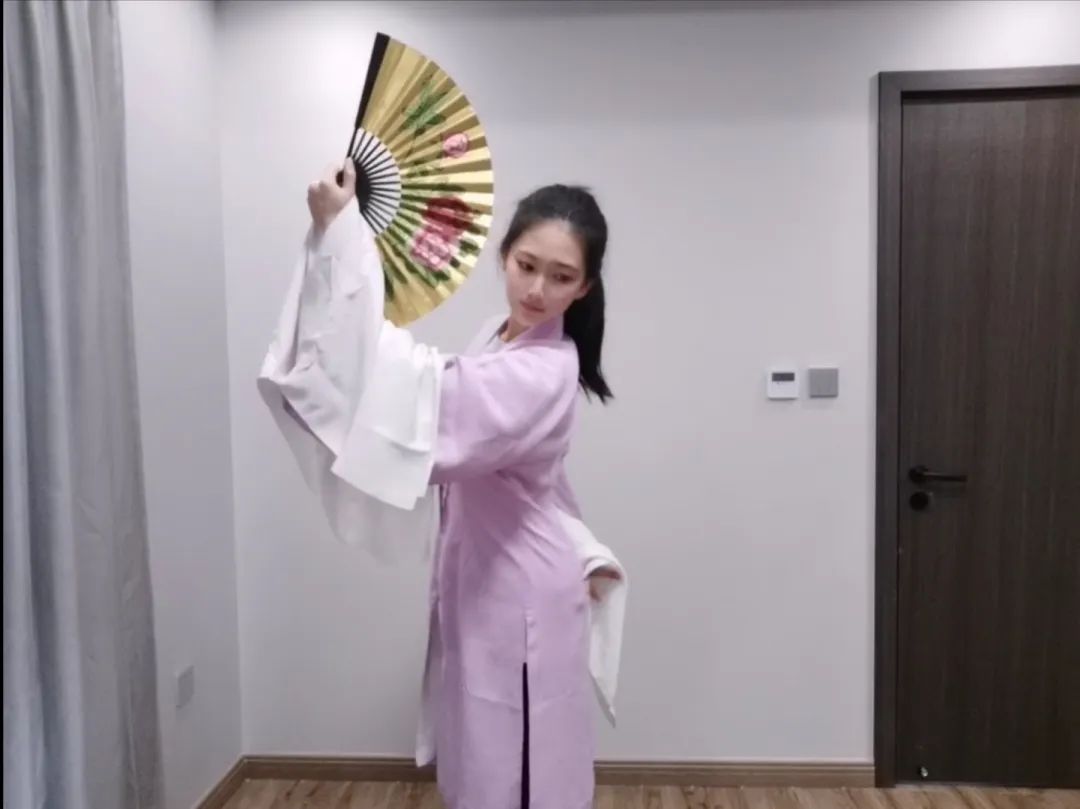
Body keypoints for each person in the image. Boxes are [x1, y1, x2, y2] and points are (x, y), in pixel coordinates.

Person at [286, 159, 622, 809]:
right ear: (504, 256)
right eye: (527, 265)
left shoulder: (542, 371)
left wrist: (345, 241)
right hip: (486, 570)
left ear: (584, 287)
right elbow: (448, 401)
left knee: (519, 761)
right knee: (482, 745)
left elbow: (428, 407)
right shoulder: (499, 336)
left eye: (561, 277)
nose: (537, 289)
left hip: (521, 591)